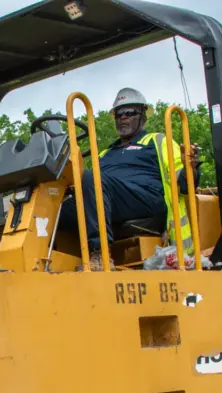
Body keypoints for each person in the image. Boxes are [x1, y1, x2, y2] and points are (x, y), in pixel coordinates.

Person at [60, 87, 201, 270]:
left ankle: (99, 254)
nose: (123, 117)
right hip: (110, 200)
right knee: (54, 208)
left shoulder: (157, 141)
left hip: (145, 199)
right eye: (119, 114)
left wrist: (191, 168)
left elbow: (183, 183)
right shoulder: (104, 153)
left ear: (143, 116)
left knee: (92, 178)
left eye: (129, 112)